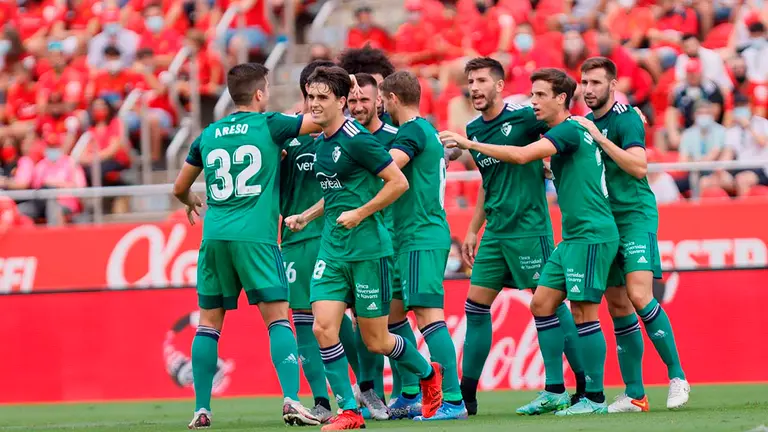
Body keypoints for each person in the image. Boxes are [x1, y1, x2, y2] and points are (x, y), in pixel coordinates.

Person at [441, 68, 619, 416]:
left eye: (481, 81)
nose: (474, 88)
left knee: (564, 307)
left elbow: (556, 132)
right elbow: (490, 181)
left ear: (499, 86)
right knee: (486, 307)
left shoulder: (529, 118)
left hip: (533, 230)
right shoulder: (476, 128)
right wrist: (475, 228)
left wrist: (620, 116)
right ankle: (469, 394)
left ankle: (586, 387)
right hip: (497, 231)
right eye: (470, 82)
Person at [283, 66, 443, 431]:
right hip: (332, 250)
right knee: (324, 328)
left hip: (369, 252)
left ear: (341, 102)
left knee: (376, 340)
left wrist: (361, 212)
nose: (314, 104)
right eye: (311, 98)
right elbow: (336, 193)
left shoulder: (358, 140)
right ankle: (349, 411)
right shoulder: (322, 142)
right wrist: (306, 217)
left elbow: (397, 183)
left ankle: (427, 373)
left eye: (323, 98)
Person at [172, 63, 323, 429]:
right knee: (277, 319)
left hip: (214, 237)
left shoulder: (208, 134)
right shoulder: (270, 124)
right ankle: (291, 398)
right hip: (255, 238)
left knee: (208, 325)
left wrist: (192, 199)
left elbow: (179, 187)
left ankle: (202, 409)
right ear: (259, 93)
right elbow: (319, 123)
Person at [575, 57, 690, 413]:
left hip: (635, 216)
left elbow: (639, 165)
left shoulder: (625, 117)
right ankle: (636, 394)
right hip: (604, 223)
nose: (589, 89)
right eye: (584, 83)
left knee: (640, 295)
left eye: (596, 82)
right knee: (618, 304)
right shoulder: (584, 124)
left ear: (613, 85)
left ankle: (677, 376)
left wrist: (598, 139)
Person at [380, 70, 468, 421]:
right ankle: (412, 392)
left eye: (384, 99)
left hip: (421, 235)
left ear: (393, 99)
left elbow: (388, 168)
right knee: (393, 317)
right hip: (407, 235)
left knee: (430, 318)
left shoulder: (413, 130)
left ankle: (453, 399)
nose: (382, 105)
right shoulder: (424, 131)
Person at [278, 59, 338, 425]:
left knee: (355, 321)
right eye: (315, 93)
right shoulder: (286, 134)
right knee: (305, 322)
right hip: (298, 239)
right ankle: (321, 401)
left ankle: (367, 391)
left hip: (339, 236)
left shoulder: (345, 134)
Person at [346, 72, 403, 420]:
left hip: (390, 242)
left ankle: (406, 391)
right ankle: (371, 391)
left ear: (379, 100)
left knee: (391, 323)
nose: (358, 107)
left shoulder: (397, 138)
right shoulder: (339, 139)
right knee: (359, 323)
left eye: (364, 100)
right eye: (352, 101)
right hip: (351, 244)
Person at [337, 45, 396, 125]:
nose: (378, 95)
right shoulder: (337, 127)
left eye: (381, 87)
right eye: (369, 88)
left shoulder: (399, 126)